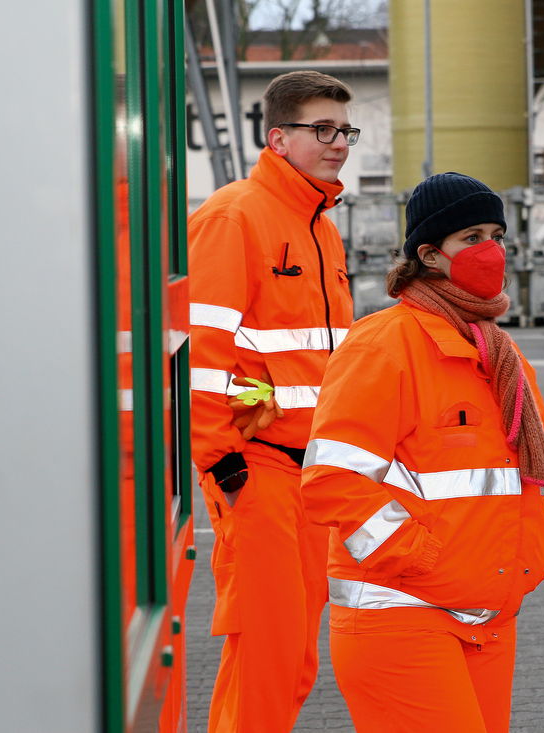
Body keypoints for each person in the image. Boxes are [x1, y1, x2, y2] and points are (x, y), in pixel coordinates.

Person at [301, 172, 544, 732]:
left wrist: (541, 541)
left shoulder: (498, 350)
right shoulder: (383, 344)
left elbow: (512, 476)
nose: (490, 250)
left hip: (489, 617)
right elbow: (332, 480)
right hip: (402, 617)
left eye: (496, 233)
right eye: (471, 237)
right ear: (428, 254)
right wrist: (423, 559)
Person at [187, 70, 358, 733]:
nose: (338, 143)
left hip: (311, 474)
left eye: (345, 130)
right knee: (269, 649)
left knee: (293, 661)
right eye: (323, 129)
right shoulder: (236, 216)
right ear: (278, 137)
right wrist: (223, 462)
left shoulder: (321, 227)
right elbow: (202, 354)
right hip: (255, 469)